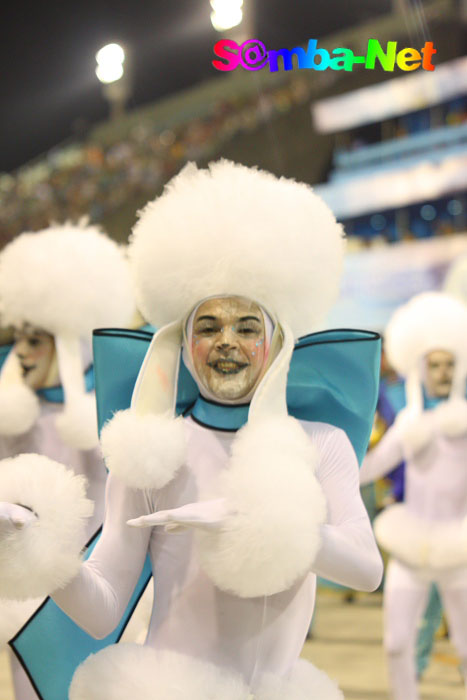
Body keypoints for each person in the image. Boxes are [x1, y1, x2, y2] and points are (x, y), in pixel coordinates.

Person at [0, 161, 382, 699]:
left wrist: (261, 522)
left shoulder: (320, 443)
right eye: (208, 326)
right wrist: (39, 545)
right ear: (182, 343)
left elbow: (366, 571)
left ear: (276, 342)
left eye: (247, 326)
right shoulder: (151, 449)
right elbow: (104, 605)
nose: (227, 341)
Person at [0, 223, 135, 700]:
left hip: (95, 588)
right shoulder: (11, 411)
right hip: (26, 596)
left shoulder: (111, 409)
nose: (21, 351)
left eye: (34, 338)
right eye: (17, 337)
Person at [360, 291, 467, 700]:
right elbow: (368, 469)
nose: (441, 372)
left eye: (449, 364)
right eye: (434, 364)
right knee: (395, 644)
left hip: (459, 550)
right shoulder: (409, 424)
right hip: (411, 549)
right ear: (421, 368)